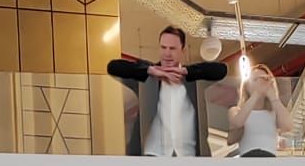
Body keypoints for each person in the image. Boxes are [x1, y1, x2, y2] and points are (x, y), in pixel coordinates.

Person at [107, 25, 228, 158]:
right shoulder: (147, 77)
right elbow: (113, 67)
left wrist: (188, 72)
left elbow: (222, 70)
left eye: (172, 48)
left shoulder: (193, 80)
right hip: (152, 155)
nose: (167, 53)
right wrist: (150, 70)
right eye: (163, 47)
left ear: (183, 50)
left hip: (189, 156)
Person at [229, 64, 292, 156]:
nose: (260, 83)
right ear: (247, 85)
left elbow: (288, 126)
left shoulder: (274, 112)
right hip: (247, 159)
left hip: (269, 160)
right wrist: (257, 93)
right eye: (255, 80)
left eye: (264, 79)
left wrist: (273, 96)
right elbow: (237, 123)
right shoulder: (236, 110)